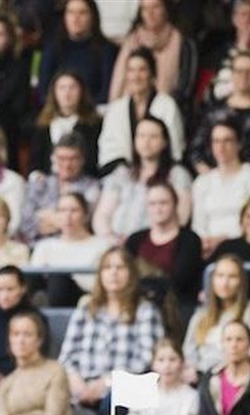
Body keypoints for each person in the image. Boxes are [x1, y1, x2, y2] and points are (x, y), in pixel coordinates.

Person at [58, 247, 164, 410]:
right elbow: (67, 357)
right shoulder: (85, 310)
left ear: (131, 274)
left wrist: (108, 382)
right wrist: (76, 382)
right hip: (81, 389)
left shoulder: (145, 311)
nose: (113, 273)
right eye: (107, 267)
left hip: (125, 390)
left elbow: (147, 358)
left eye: (120, 267)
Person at [94, 116, 192, 245]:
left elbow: (181, 216)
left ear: (164, 142)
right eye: (141, 136)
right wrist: (110, 237)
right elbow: (102, 214)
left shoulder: (177, 174)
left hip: (155, 244)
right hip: (115, 243)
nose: (146, 142)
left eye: (153, 137)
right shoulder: (122, 173)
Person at [191, 49, 250, 174]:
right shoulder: (214, 110)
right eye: (239, 71)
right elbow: (196, 151)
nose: (244, 76)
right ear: (232, 74)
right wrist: (212, 178)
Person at [191, 121, 250, 258]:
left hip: (248, 248)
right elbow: (198, 225)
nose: (221, 147)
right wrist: (206, 243)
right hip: (209, 251)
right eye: (216, 141)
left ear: (239, 144)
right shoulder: (202, 182)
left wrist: (226, 241)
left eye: (227, 140)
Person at [97, 47, 185, 175]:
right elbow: (108, 148)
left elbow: (175, 147)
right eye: (131, 70)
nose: (136, 76)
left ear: (152, 74)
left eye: (142, 70)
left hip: (161, 173)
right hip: (122, 173)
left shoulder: (167, 105)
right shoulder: (116, 109)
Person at [124, 180, 205, 314]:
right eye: (152, 204)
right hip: (136, 305)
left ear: (175, 204)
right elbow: (126, 275)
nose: (158, 209)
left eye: (163, 203)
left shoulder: (190, 239)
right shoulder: (135, 239)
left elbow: (181, 281)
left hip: (176, 307)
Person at [183, 254, 250, 381]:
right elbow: (188, 351)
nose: (225, 283)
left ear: (241, 281)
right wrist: (195, 371)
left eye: (232, 277)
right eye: (220, 276)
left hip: (237, 378)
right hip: (201, 377)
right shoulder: (201, 314)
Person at [0, 312, 71, 415]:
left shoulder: (55, 371)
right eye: (16, 334)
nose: (21, 340)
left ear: (39, 340)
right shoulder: (7, 382)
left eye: (27, 334)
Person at [196, 0, 250, 109]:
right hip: (218, 107)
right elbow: (204, 89)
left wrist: (246, 46)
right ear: (234, 19)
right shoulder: (219, 51)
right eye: (243, 14)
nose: (248, 20)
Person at [29, 192, 111, 306]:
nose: (68, 216)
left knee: (59, 277)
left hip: (85, 294)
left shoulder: (102, 245)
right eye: (62, 210)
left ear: (85, 214)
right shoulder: (44, 246)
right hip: (51, 294)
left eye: (74, 210)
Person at [107, 0, 195, 106]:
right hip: (129, 105)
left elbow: (184, 87)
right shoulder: (132, 40)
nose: (150, 13)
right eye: (145, 9)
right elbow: (118, 79)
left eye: (156, 7)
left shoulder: (181, 41)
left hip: (167, 107)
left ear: (166, 9)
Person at [0, 266, 49, 379]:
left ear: (22, 289)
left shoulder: (36, 319)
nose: (4, 296)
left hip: (27, 378)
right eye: (0, 289)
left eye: (10, 289)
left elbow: (40, 355)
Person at [23, 129, 102, 244]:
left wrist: (44, 215)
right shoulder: (40, 183)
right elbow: (25, 222)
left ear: (82, 160)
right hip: (38, 246)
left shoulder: (92, 187)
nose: (67, 165)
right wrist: (64, 221)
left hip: (76, 245)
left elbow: (83, 222)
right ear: (53, 159)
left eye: (73, 159)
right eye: (62, 158)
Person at [36, 0, 117, 106]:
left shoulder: (106, 50)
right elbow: (43, 92)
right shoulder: (52, 48)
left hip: (94, 111)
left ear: (93, 17)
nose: (75, 18)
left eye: (82, 13)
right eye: (71, 12)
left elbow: (106, 93)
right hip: (57, 111)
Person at [127, 338, 199, 415]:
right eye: (161, 360)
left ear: (182, 362)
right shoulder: (142, 393)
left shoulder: (191, 397)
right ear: (153, 364)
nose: (167, 366)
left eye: (172, 359)